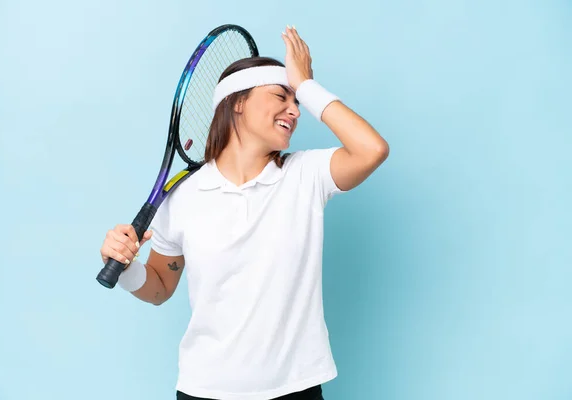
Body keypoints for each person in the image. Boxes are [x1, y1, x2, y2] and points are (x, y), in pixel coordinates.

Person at [99, 26, 389, 400]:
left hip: (295, 389)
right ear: (237, 102)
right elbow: (159, 288)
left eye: (297, 100)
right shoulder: (183, 196)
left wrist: (306, 86)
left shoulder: (306, 175)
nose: (295, 110)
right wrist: (124, 267)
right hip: (204, 390)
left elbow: (372, 150)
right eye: (281, 96)